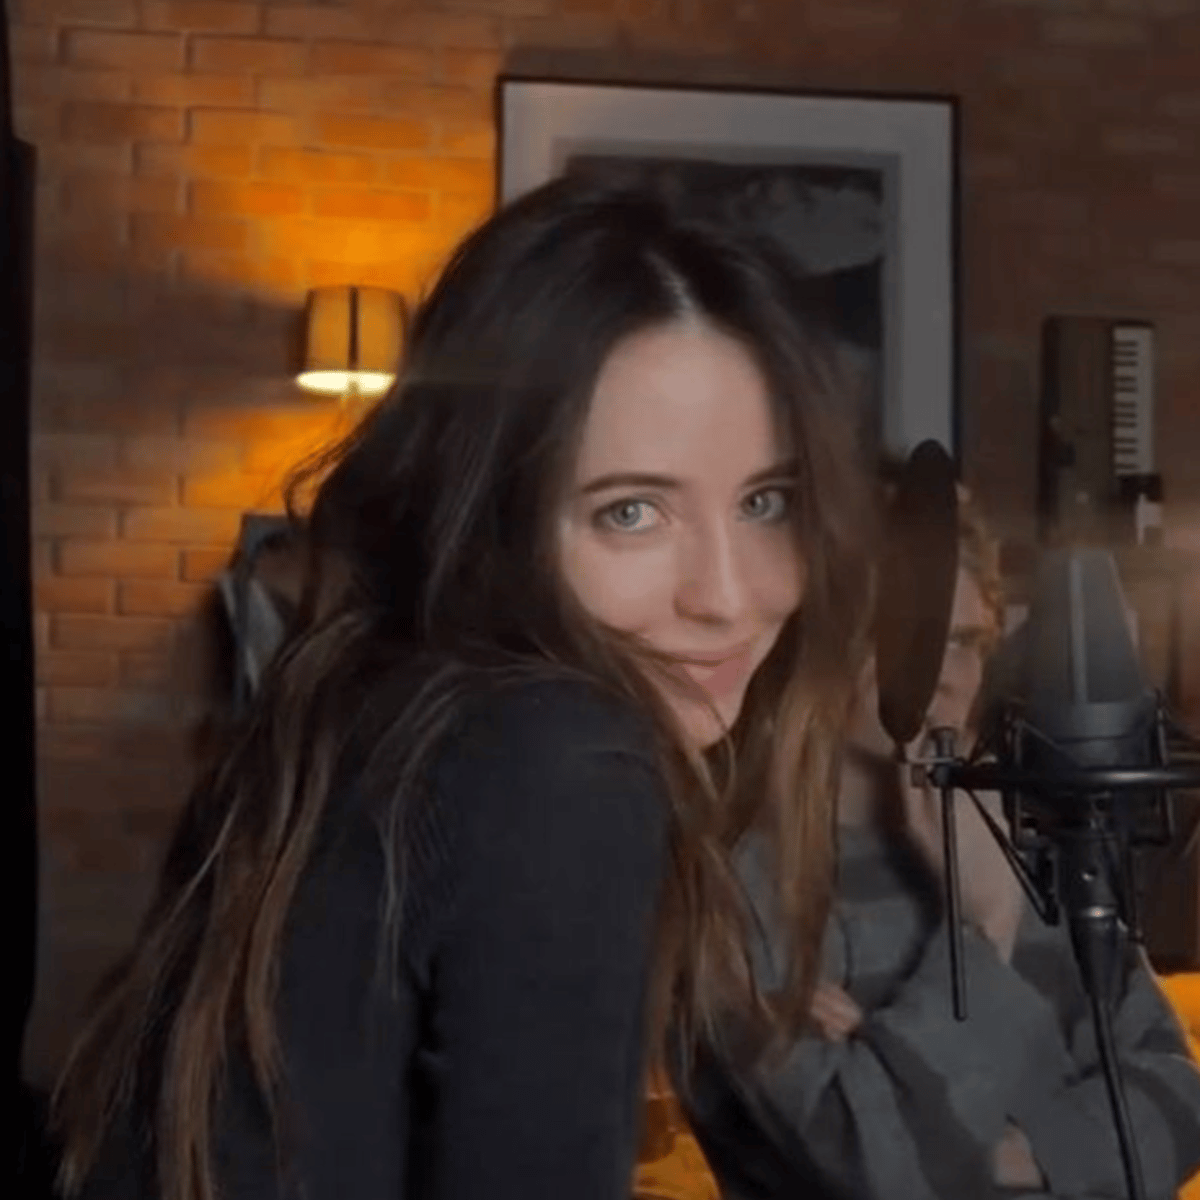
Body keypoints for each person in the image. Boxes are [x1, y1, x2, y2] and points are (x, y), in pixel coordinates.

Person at [49, 174, 876, 1200]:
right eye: (630, 512)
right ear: (493, 519)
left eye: (766, 501)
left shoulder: (368, 707)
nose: (729, 595)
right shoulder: (561, 755)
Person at [681, 487, 1200, 1199]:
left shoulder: (1032, 845)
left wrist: (998, 1153)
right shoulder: (732, 892)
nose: (945, 673)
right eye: (910, 633)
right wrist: (987, 926)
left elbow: (1176, 1094)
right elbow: (874, 1170)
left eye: (963, 642)